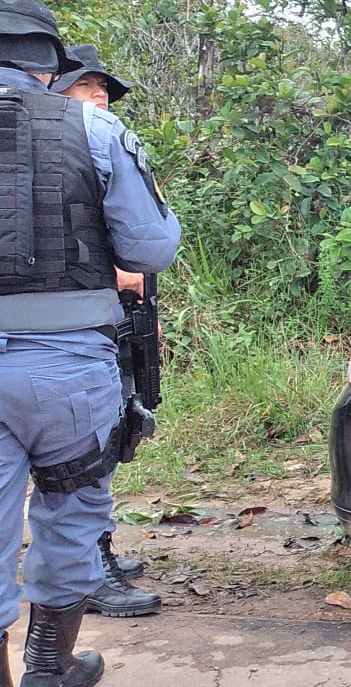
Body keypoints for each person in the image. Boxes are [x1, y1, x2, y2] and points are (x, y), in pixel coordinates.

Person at [0, 0, 180, 687]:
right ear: (50, 62)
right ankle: (50, 667)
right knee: (72, 510)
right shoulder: (95, 130)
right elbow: (152, 249)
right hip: (68, 371)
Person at [51, 45, 161, 620]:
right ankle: (90, 571)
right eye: (84, 89)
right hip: (72, 332)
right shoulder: (48, 158)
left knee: (114, 437)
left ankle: (99, 554)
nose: (98, 99)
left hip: (111, 324)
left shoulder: (99, 149)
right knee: (83, 460)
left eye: (103, 92)